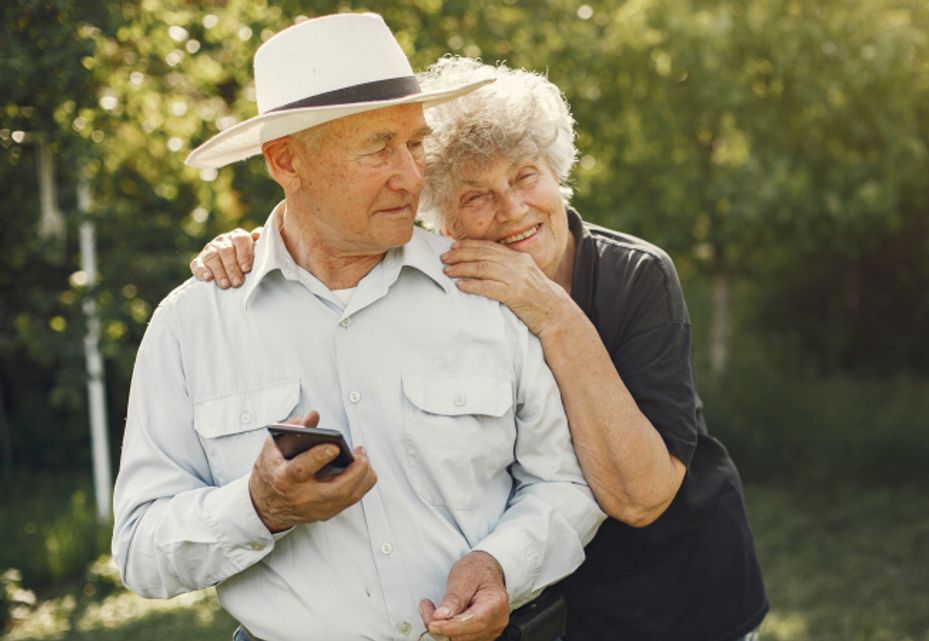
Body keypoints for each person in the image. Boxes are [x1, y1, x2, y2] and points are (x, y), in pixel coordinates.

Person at [193, 56, 769, 641]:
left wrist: (551, 311)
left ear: (556, 171)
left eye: (525, 176)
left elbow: (643, 497)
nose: (513, 210)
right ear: (438, 219)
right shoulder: (450, 285)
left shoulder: (635, 276)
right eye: (476, 196)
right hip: (552, 605)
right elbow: (331, 235)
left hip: (682, 594)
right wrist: (270, 243)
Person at [112, 14, 604, 641]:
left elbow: (562, 483)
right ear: (287, 161)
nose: (412, 174)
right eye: (377, 148)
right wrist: (259, 507)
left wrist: (500, 564)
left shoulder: (488, 290)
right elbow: (139, 552)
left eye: (415, 143)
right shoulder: (192, 326)